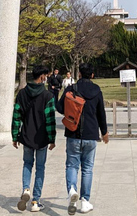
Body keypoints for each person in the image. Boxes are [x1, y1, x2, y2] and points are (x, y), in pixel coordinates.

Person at [57, 63, 109, 215]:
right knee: (87, 168)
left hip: (73, 133)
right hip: (91, 134)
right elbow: (101, 113)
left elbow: (59, 107)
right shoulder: (97, 90)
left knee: (72, 165)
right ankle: (85, 201)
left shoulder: (71, 89)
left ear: (79, 74)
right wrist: (104, 132)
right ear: (92, 75)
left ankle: (72, 190)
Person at [12, 65, 56, 212]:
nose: (47, 78)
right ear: (42, 76)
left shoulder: (22, 94)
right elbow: (50, 119)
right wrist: (52, 138)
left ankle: (26, 189)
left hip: (26, 135)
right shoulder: (47, 96)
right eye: (47, 75)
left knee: (27, 164)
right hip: (42, 137)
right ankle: (36, 201)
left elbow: (16, 116)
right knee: (40, 168)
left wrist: (15, 136)